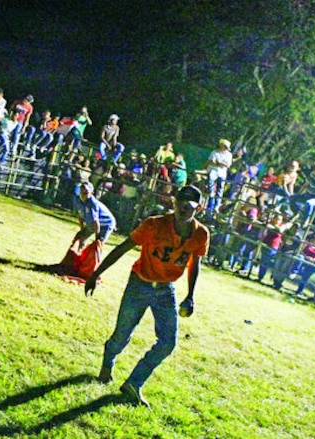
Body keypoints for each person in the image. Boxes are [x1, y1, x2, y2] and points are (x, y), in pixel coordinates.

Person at [85, 185, 210, 408]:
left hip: (166, 290)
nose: (183, 210)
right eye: (180, 204)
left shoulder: (201, 234)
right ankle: (108, 361)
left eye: (189, 207)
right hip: (139, 284)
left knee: (167, 342)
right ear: (174, 203)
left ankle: (134, 383)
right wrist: (96, 272)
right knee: (122, 334)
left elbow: (195, 263)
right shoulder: (154, 224)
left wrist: (190, 295)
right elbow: (123, 247)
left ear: (198, 208)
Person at [73, 181, 116, 246]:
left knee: (97, 245)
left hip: (106, 223)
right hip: (92, 224)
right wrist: (82, 230)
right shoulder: (77, 200)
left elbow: (96, 222)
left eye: (85, 192)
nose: (82, 194)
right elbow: (80, 215)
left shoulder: (92, 204)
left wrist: (97, 237)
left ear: (91, 193)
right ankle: (76, 254)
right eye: (81, 191)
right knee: (79, 238)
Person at [203, 138, 233, 216]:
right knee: (211, 189)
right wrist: (221, 164)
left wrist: (219, 163)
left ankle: (216, 206)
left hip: (222, 174)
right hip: (213, 172)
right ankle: (210, 206)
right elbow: (212, 162)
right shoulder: (215, 152)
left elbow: (228, 165)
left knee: (220, 190)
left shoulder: (229, 155)